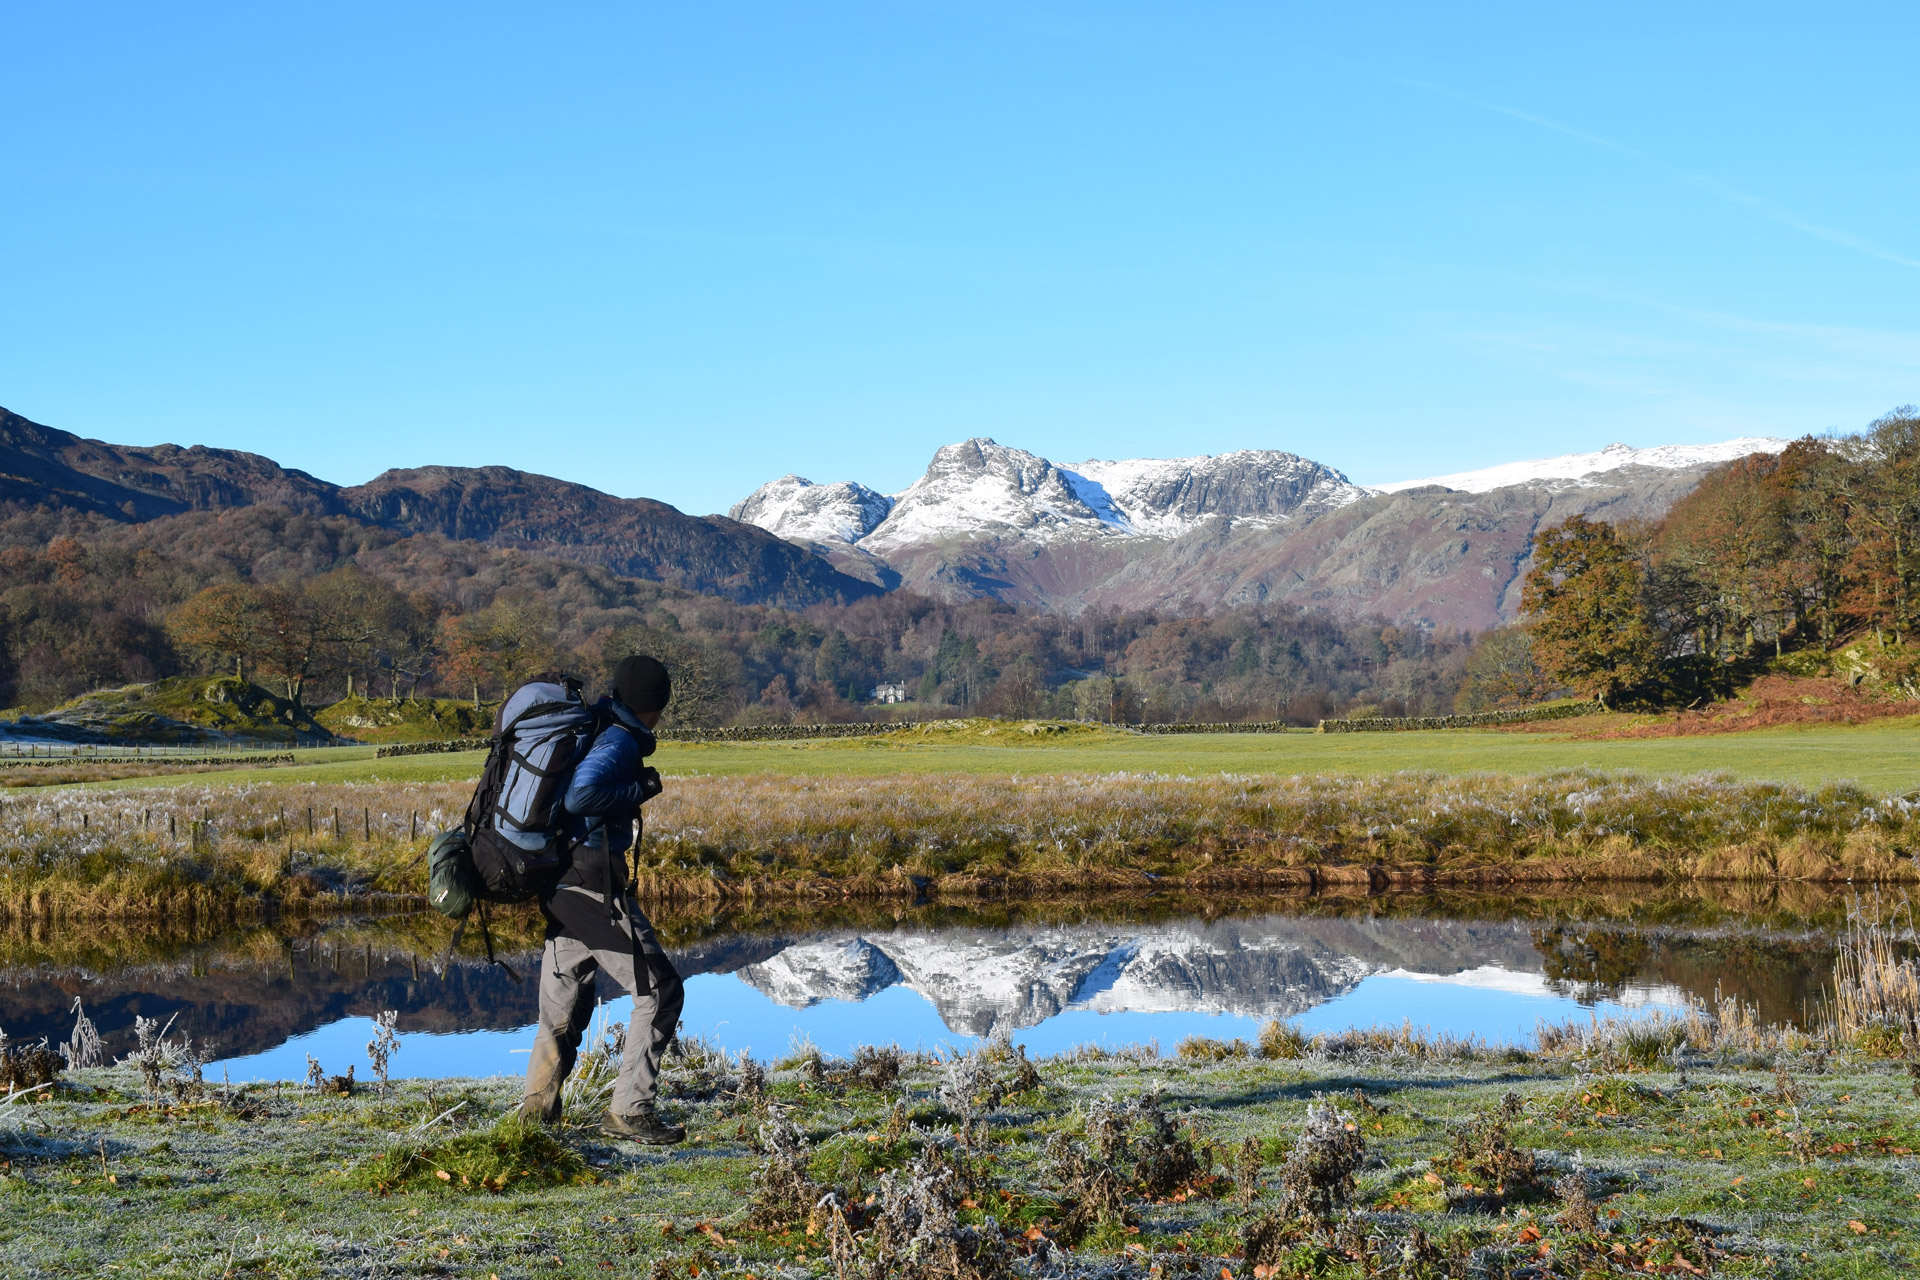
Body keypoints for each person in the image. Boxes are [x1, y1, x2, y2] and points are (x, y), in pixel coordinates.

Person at [519, 654, 686, 1143]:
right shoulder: (618, 740)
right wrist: (641, 787)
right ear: (655, 704)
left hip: (562, 885)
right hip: (592, 885)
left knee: (563, 1007)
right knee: (660, 991)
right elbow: (581, 796)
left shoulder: (598, 726)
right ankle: (629, 1112)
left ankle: (535, 1122)